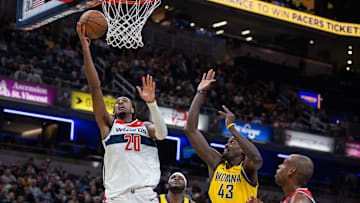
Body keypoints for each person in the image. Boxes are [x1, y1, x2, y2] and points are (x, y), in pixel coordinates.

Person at [76, 22, 168, 203]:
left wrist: (152, 104)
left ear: (133, 109)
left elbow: (163, 134)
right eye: (117, 102)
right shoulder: (109, 126)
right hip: (116, 197)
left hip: (144, 195)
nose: (120, 102)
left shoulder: (146, 127)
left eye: (125, 101)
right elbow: (95, 87)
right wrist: (86, 49)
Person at [184, 69, 263, 202]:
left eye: (232, 142)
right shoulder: (216, 163)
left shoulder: (247, 169)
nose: (226, 144)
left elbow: (256, 159)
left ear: (243, 150)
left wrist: (232, 129)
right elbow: (190, 130)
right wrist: (200, 92)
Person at [247, 154, 315, 203]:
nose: (279, 166)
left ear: (291, 171)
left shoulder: (300, 199)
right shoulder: (293, 198)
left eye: (284, 164)